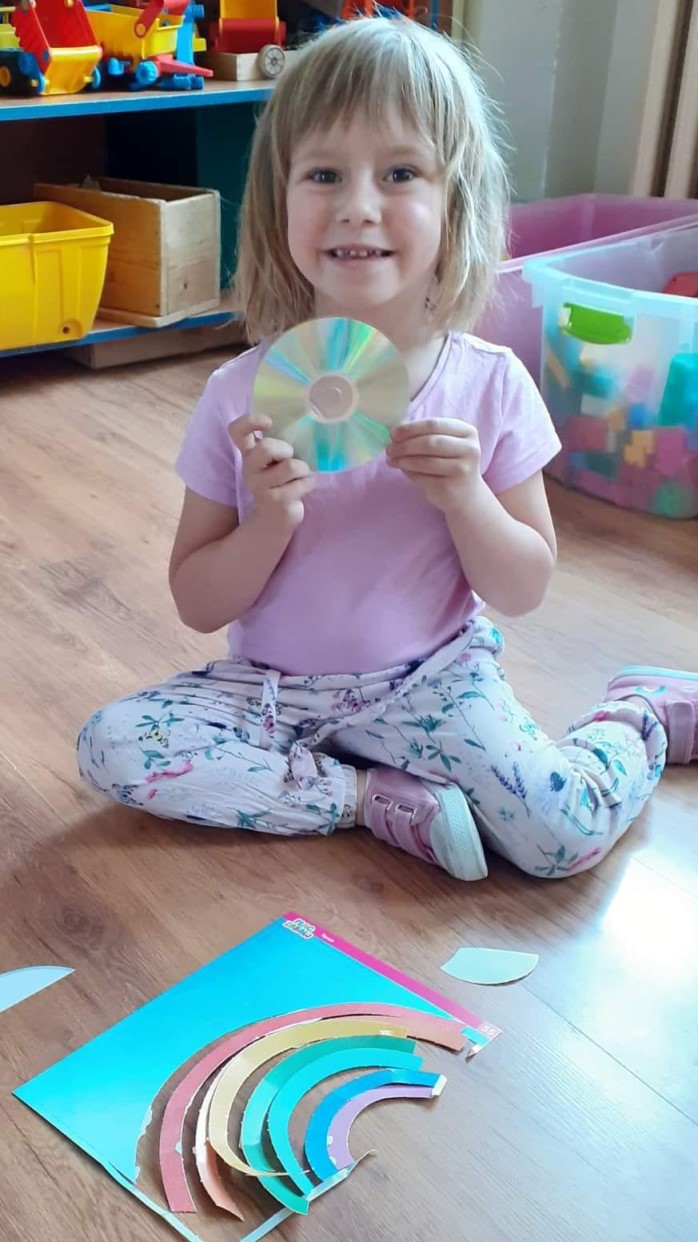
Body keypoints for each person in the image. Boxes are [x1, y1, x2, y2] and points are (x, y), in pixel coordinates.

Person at [78, 17, 696, 882]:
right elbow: (197, 601)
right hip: (273, 691)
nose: (357, 205)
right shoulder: (238, 396)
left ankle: (640, 716)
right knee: (112, 747)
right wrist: (270, 520)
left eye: (400, 173)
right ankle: (370, 800)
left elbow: (523, 587)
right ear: (277, 202)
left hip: (432, 681)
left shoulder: (489, 385)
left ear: (456, 202)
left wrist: (466, 499)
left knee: (560, 836)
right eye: (323, 173)